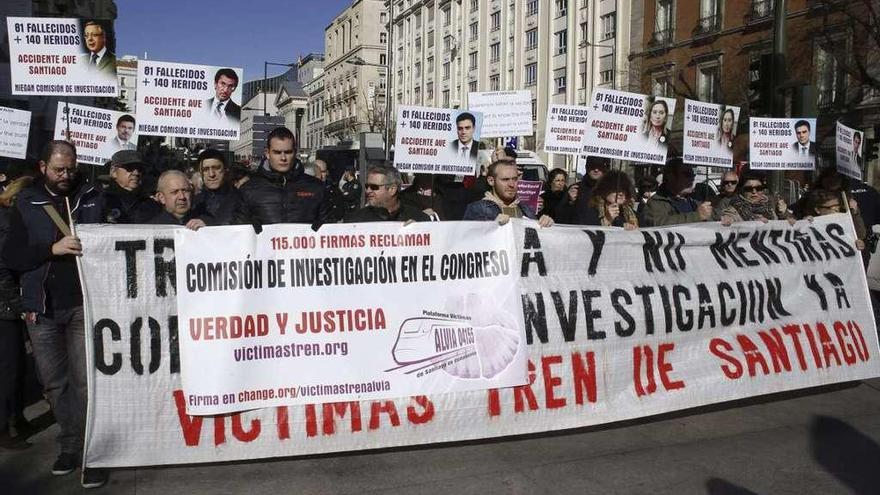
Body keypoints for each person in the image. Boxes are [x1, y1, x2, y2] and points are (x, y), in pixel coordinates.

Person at [1, 141, 108, 488]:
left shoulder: (92, 196)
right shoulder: (27, 203)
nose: (66, 175)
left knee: (84, 381)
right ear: (43, 167)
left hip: (83, 304)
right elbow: (13, 256)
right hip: (42, 308)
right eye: (59, 169)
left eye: (71, 168)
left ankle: (90, 452)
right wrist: (51, 249)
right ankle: (70, 444)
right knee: (54, 384)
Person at [233, 126, 328, 229]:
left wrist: (322, 227)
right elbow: (238, 232)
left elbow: (330, 228)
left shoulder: (316, 187)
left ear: (295, 152)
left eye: (288, 152)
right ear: (267, 153)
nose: (283, 158)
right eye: (277, 152)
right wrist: (249, 229)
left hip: (305, 244)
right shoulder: (248, 190)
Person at [0, 177, 31, 451]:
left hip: (9, 305)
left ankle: (16, 418)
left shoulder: (12, 220)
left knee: (17, 365)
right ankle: (4, 428)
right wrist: (17, 305)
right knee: (8, 368)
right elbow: (3, 270)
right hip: (5, 307)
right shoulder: (8, 222)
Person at [463, 160, 553, 227]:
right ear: (491, 181)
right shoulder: (477, 209)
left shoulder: (526, 208)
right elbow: (468, 242)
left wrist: (546, 225)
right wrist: (491, 227)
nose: (511, 184)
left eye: (514, 179)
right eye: (505, 180)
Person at [641, 158, 715, 227]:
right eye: (687, 174)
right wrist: (696, 216)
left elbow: (714, 216)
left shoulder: (694, 201)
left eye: (693, 174)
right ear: (671, 176)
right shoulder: (656, 203)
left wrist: (724, 216)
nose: (692, 177)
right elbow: (658, 224)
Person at [345, 166, 430, 223]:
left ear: (392, 189)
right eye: (367, 186)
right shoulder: (356, 221)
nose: (368, 191)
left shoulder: (418, 218)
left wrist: (419, 230)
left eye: (374, 187)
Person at [103, 150, 161, 224]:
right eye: (129, 168)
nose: (136, 173)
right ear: (114, 172)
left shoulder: (152, 205)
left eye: (140, 169)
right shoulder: (102, 200)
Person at [191, 149, 241, 225]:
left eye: (216, 168)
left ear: (225, 169)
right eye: (206, 169)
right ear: (200, 173)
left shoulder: (242, 199)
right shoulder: (194, 202)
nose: (211, 174)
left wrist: (209, 223)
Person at [721, 172, 790, 223]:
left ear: (763, 190)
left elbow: (793, 224)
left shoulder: (772, 206)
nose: (754, 192)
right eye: (748, 189)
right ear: (742, 191)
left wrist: (784, 214)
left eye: (759, 188)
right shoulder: (734, 209)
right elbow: (729, 218)